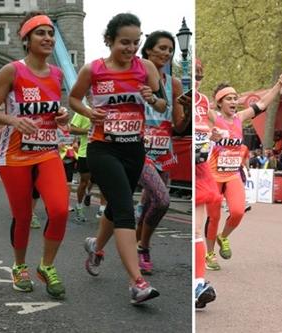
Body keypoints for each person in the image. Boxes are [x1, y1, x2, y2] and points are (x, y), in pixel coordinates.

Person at [68, 13, 164, 304]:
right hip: (103, 148)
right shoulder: (93, 70)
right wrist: (88, 113)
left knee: (118, 206)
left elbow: (162, 105)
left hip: (134, 148)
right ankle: (137, 283)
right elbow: (73, 99)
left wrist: (152, 98)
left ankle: (96, 247)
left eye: (136, 42)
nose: (131, 48)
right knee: (124, 209)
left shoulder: (146, 67)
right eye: (124, 42)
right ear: (109, 40)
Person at [0, 11, 69, 299]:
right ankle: (19, 266)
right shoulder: (12, 71)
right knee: (22, 216)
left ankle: (46, 265)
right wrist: (13, 120)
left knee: (58, 210)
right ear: (26, 40)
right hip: (15, 154)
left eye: (50, 33)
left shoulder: (57, 73)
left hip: (47, 151)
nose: (48, 38)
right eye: (40, 33)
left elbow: (53, 111)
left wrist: (61, 115)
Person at [204, 78, 282, 271]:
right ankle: (209, 253)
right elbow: (198, 109)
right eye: (228, 99)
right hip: (213, 175)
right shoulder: (213, 116)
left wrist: (279, 84)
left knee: (238, 212)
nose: (233, 102)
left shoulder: (240, 118)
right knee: (213, 218)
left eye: (235, 98)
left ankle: (224, 237)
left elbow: (263, 103)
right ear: (220, 102)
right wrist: (208, 135)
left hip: (232, 175)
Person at [135, 30, 191, 275]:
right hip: (139, 148)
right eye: (161, 48)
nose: (166, 53)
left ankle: (135, 246)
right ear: (148, 50)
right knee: (162, 200)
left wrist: (187, 112)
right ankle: (143, 247)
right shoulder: (136, 78)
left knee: (150, 203)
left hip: (163, 151)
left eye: (170, 50)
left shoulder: (174, 84)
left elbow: (178, 127)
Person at [194, 58, 219, 309]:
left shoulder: (203, 101)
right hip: (180, 162)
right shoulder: (183, 96)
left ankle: (198, 283)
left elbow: (211, 124)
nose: (197, 80)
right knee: (154, 206)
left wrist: (215, 132)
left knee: (196, 232)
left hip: (200, 167)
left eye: (200, 76)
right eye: (193, 75)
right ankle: (142, 246)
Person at [69, 112, 92, 223]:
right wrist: (89, 131)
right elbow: (72, 129)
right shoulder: (83, 110)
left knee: (104, 183)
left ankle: (103, 210)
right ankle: (79, 207)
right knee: (84, 182)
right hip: (86, 153)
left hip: (104, 152)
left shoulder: (107, 107)